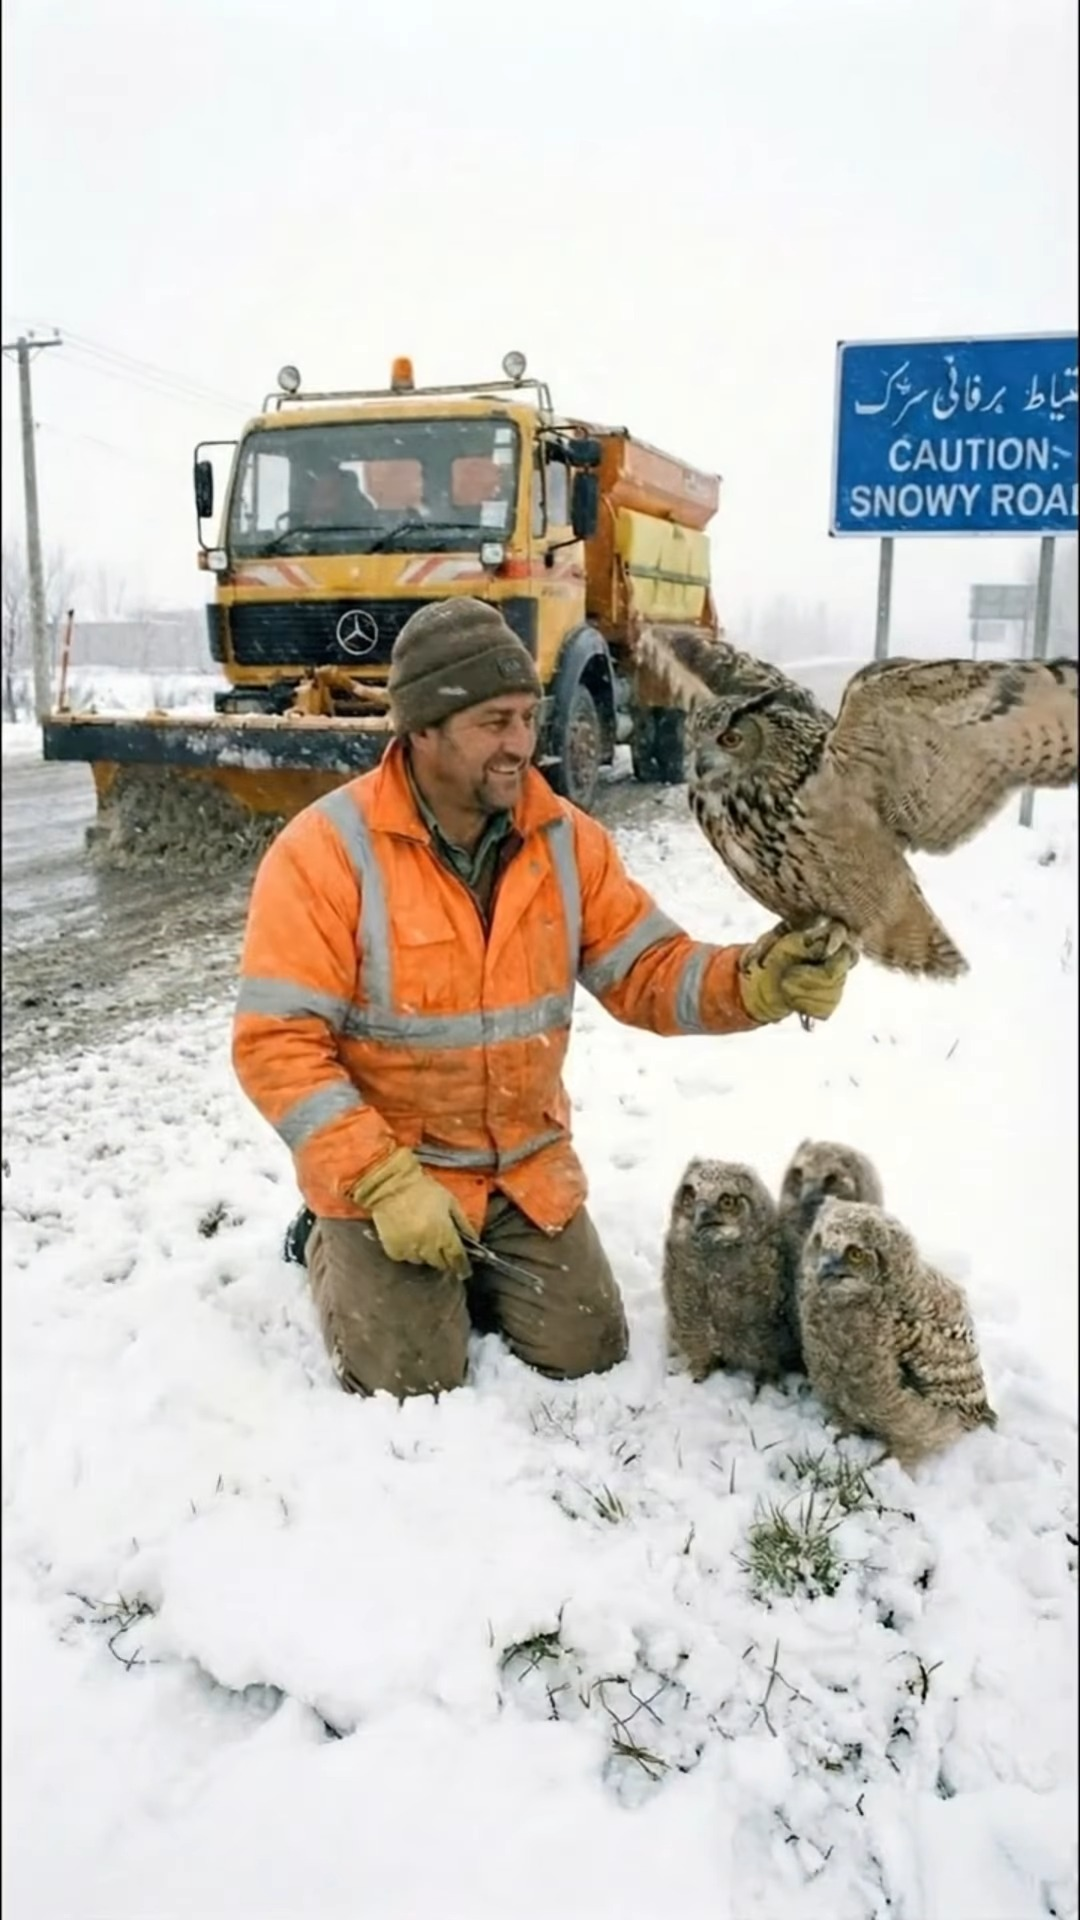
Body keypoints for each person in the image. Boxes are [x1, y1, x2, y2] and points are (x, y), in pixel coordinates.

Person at [232, 599, 853, 1398]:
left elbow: (649, 971)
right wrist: (380, 1181)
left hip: (522, 1168)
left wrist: (756, 982)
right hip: (391, 1167)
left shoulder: (566, 838)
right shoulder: (325, 854)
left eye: (527, 717)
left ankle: (470, 1271)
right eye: (494, 722)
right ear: (423, 729)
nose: (521, 744)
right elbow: (275, 1043)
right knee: (412, 1380)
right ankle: (326, 1239)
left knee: (588, 1349)